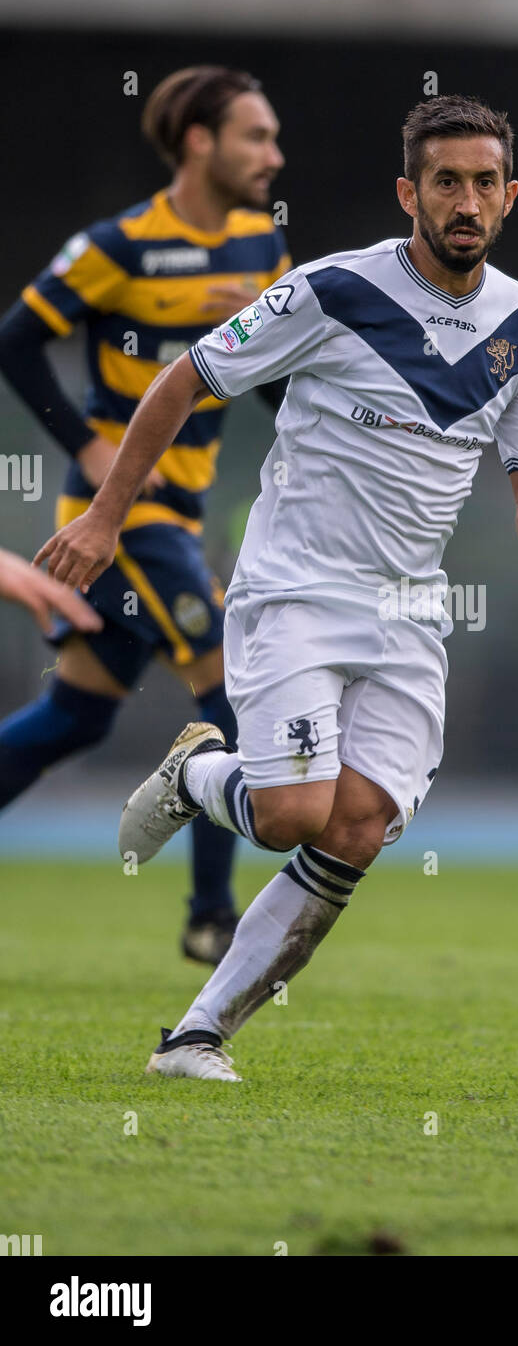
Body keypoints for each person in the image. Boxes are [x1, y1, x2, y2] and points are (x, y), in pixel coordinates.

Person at [37, 94, 518, 1082]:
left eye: (484, 182)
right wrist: (106, 513)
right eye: (446, 181)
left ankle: (195, 1038)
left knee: (358, 825)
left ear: (508, 196)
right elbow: (182, 380)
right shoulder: (331, 292)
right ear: (409, 192)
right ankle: (199, 772)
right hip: (296, 590)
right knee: (289, 811)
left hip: (413, 608)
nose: (466, 199)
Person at [0, 65, 290, 964]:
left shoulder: (259, 247)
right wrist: (91, 453)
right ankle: (211, 916)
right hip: (120, 520)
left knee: (77, 715)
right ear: (200, 143)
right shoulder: (115, 246)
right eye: (256, 136)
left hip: (184, 511)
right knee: (232, 696)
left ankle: (208, 905)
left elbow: (277, 378)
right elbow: (15, 341)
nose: (274, 156)